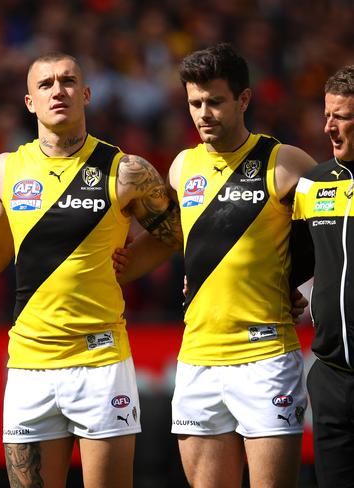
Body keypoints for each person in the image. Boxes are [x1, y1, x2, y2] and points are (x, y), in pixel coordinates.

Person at [0, 52, 183, 487]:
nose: (57, 90)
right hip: (30, 364)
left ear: (85, 94)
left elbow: (173, 233)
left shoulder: (126, 170)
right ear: (30, 102)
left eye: (67, 81)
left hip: (100, 361)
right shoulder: (5, 171)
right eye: (45, 84)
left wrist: (128, 266)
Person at [118, 43, 316, 488]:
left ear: (243, 100)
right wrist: (116, 263)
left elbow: (333, 235)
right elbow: (174, 237)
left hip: (266, 358)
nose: (204, 113)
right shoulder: (182, 167)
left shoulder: (285, 163)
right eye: (194, 103)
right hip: (197, 359)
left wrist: (306, 288)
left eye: (215, 101)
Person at [292, 65, 354, 487]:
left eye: (342, 116)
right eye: (326, 114)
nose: (329, 126)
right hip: (332, 378)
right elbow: (290, 264)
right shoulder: (311, 185)